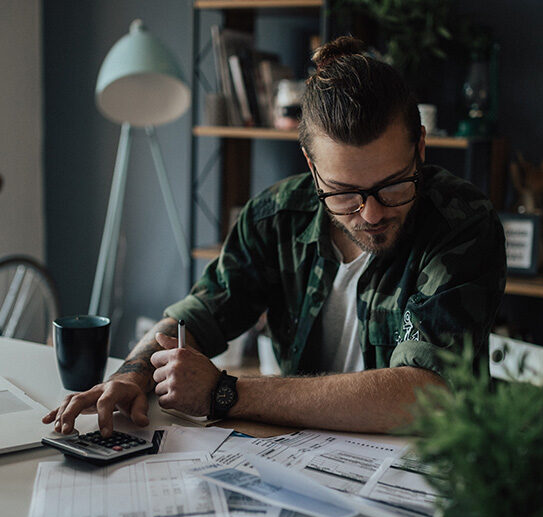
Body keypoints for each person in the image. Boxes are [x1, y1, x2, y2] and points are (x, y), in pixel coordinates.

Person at [43, 37, 506, 436]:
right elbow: (199, 313)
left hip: (424, 471)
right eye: (344, 193)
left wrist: (227, 392)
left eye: (393, 185)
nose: (371, 213)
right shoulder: (275, 215)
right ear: (311, 166)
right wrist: (131, 374)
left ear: (420, 147)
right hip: (299, 458)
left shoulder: (461, 223)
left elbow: (424, 393)